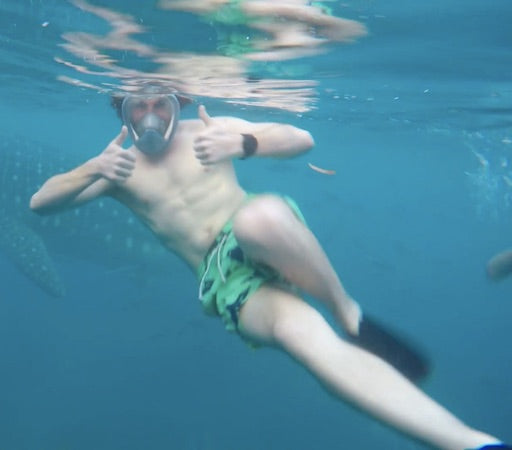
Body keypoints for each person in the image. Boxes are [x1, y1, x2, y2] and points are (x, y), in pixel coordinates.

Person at [29, 85, 509, 450]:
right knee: (309, 345)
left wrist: (243, 142)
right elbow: (41, 204)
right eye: (139, 106)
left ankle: (345, 310)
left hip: (273, 237)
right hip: (226, 281)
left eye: (161, 105)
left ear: (177, 105)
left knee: (258, 219)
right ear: (122, 111)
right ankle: (472, 442)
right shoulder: (118, 171)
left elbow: (301, 138)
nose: (151, 116)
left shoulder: (207, 132)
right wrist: (91, 168)